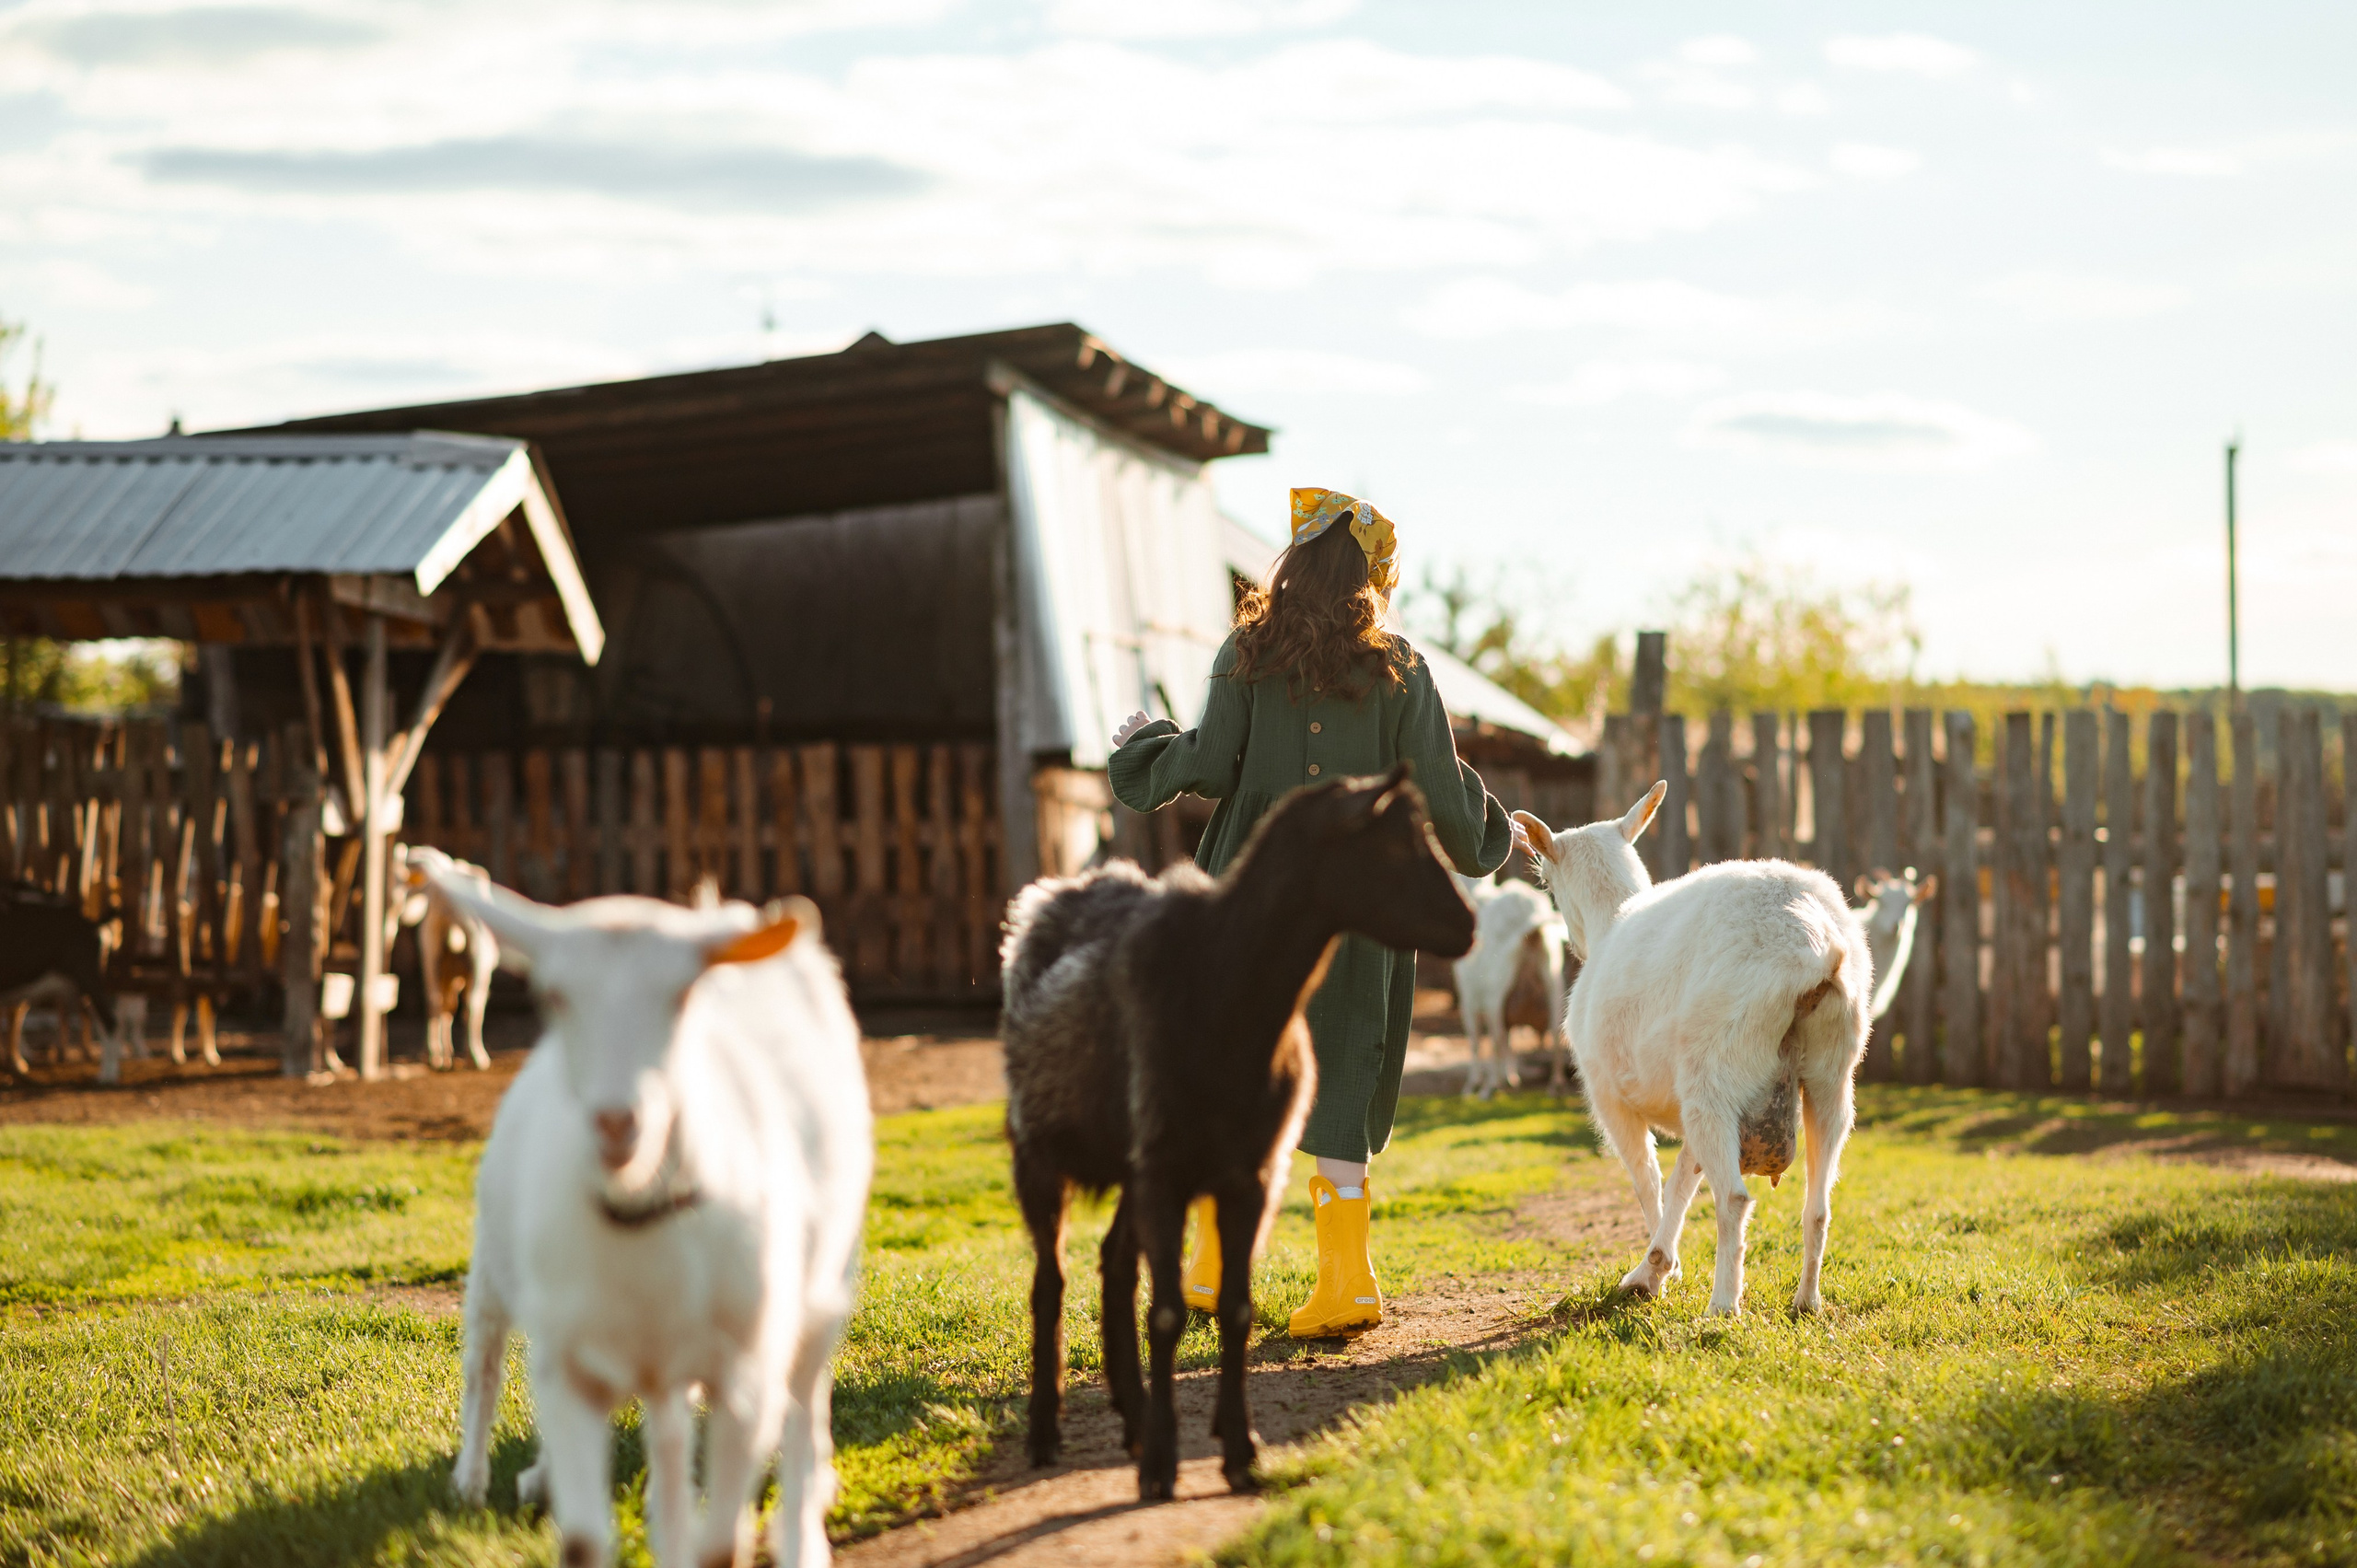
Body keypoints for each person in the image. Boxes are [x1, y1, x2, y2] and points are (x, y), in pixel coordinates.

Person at [1108, 487, 1519, 1339]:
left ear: (1290, 564)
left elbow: (1212, 764)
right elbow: (1440, 792)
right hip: (1357, 908)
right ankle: (1348, 1282)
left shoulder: (1246, 652)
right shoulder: (1399, 666)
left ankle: (1214, 1271)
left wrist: (1144, 745)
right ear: (1373, 576)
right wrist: (1494, 833)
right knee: (1341, 1068)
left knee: (1229, 1064)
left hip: (1248, 902)